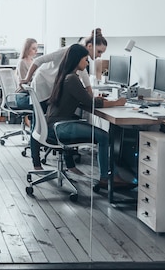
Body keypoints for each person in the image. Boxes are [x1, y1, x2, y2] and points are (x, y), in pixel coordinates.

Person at [22, 29, 108, 171]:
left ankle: (70, 165)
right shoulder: (69, 51)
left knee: (65, 118)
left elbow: (85, 80)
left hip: (55, 87)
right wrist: (27, 78)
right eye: (99, 52)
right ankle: (36, 164)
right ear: (90, 47)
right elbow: (38, 60)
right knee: (38, 125)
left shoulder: (80, 60)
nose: (99, 56)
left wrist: (90, 97)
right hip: (42, 85)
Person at [45, 44, 127, 189]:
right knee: (104, 137)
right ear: (77, 60)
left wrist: (104, 101)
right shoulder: (72, 79)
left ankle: (110, 175)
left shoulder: (66, 76)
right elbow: (91, 102)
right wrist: (117, 102)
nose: (87, 63)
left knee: (102, 135)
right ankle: (106, 178)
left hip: (54, 125)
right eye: (85, 59)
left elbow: (87, 100)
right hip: (60, 128)